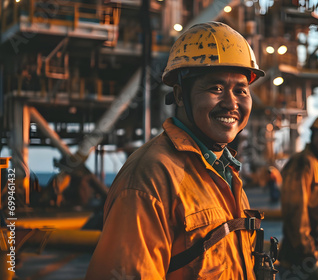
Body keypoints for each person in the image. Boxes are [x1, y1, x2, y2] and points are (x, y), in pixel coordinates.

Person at [85, 21, 266, 279]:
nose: (231, 103)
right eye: (216, 88)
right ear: (180, 96)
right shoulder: (151, 176)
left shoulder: (226, 173)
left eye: (241, 90)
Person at [278, 113, 318, 280]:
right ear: (313, 134)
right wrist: (310, 258)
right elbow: (295, 214)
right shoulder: (302, 163)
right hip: (301, 263)